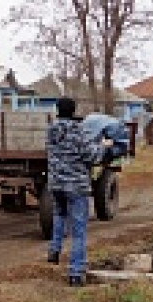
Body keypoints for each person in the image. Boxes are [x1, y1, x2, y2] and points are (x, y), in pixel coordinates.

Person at [46, 97, 113, 287]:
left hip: (56, 183)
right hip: (76, 186)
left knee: (59, 215)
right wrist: (104, 146)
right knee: (78, 231)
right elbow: (92, 156)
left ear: (57, 110)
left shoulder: (50, 129)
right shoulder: (79, 130)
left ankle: (54, 250)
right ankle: (75, 273)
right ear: (74, 111)